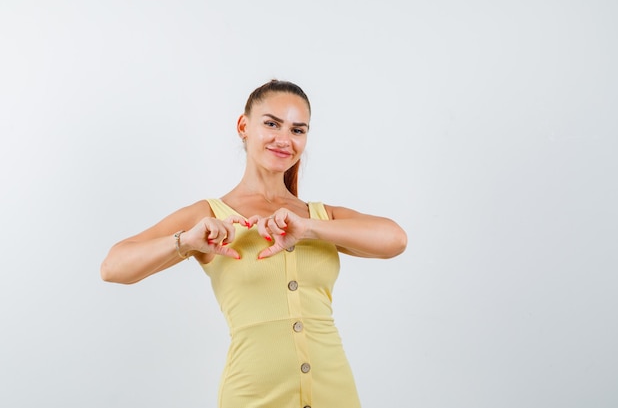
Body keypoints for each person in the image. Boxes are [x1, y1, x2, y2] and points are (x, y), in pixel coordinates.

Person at [101, 79, 407, 408]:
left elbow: (394, 239)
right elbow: (113, 267)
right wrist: (187, 241)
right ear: (243, 126)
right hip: (252, 396)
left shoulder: (318, 216)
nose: (284, 139)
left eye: (297, 130)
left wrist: (309, 229)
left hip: (334, 393)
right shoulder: (210, 215)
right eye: (272, 124)